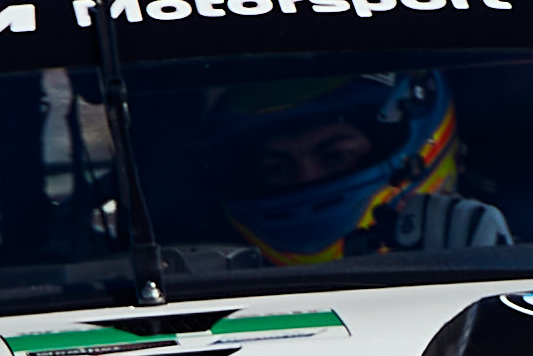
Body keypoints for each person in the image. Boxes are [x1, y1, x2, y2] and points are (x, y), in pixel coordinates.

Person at [186, 70, 515, 263]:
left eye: (336, 156)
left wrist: (485, 273)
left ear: (420, 157)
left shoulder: (530, 247)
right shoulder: (199, 273)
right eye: (278, 169)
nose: (307, 179)